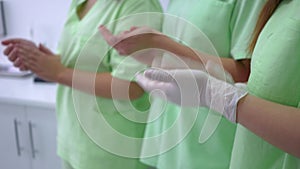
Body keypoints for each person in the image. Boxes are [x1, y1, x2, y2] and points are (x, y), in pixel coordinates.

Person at [133, 0, 300, 168]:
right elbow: (264, 81)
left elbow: (246, 71)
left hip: (214, 146)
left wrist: (219, 95)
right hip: (234, 147)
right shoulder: (282, 7)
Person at [99, 0, 265, 168]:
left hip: (212, 137)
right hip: (169, 132)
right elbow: (178, 56)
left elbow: (246, 72)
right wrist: (147, 50)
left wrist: (160, 42)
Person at [2, 0, 162, 169]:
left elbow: (131, 86)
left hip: (113, 151)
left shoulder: (138, 5)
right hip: (72, 141)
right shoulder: (79, 3)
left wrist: (59, 72)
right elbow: (76, 63)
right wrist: (39, 60)